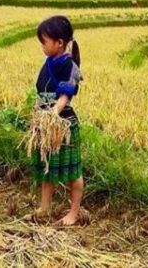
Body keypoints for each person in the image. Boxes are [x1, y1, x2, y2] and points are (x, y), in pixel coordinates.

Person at [29, 15, 85, 226]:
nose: (42, 46)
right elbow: (40, 92)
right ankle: (44, 208)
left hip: (63, 124)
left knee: (73, 170)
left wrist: (53, 114)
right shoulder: (49, 62)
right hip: (45, 122)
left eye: (44, 41)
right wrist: (37, 116)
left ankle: (73, 213)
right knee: (47, 167)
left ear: (59, 43)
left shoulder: (69, 65)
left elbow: (65, 96)